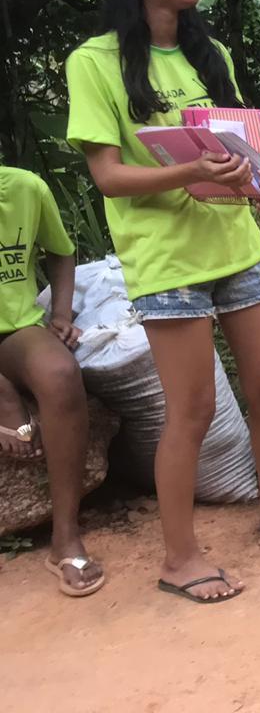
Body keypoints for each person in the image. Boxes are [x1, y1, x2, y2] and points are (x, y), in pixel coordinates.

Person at [65, 0, 260, 605]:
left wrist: (255, 179)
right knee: (192, 412)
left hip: (237, 247)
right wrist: (188, 173)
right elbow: (108, 177)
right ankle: (179, 559)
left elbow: (229, 157)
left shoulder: (207, 56)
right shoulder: (93, 63)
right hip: (168, 263)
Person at [0, 166, 104, 596]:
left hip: (13, 331)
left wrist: (60, 314)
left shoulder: (25, 188)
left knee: (60, 373)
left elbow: (60, 253)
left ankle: (65, 536)